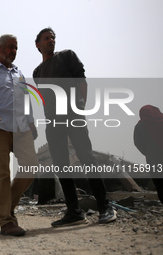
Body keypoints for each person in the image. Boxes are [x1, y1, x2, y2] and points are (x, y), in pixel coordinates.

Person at [32, 27, 116, 227]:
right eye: (46, 38)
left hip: (73, 115)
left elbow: (81, 81)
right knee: (61, 164)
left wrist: (79, 110)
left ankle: (105, 207)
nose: (51, 40)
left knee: (87, 158)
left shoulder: (67, 56)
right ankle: (74, 212)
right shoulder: (37, 72)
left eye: (53, 37)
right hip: (52, 122)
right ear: (38, 44)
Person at [0, 34, 38, 236]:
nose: (14, 51)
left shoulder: (19, 74)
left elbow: (26, 99)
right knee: (1, 173)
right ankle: (7, 221)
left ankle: (6, 205)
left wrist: (31, 121)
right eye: (10, 47)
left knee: (31, 166)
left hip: (21, 128)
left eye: (16, 48)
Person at [134, 105, 163, 204]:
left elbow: (138, 143)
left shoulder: (140, 126)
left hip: (153, 160)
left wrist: (148, 153)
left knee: (160, 186)